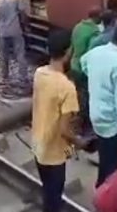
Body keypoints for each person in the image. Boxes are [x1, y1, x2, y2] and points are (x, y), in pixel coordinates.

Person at [31, 29, 86, 212]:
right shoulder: (66, 87)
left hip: (38, 144)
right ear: (68, 52)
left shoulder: (39, 73)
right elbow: (64, 131)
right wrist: (79, 141)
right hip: (54, 153)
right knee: (54, 198)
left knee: (47, 189)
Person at [81, 24, 117, 187]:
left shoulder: (95, 53)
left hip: (96, 115)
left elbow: (83, 63)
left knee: (105, 157)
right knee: (113, 166)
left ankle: (101, 188)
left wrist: (98, 81)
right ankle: (105, 194)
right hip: (113, 123)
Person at [0, 0, 28, 83]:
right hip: (16, 31)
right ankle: (23, 77)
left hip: (3, 33)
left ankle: (5, 76)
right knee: (20, 54)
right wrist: (25, 26)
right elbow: (23, 13)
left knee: (4, 55)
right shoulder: (14, 1)